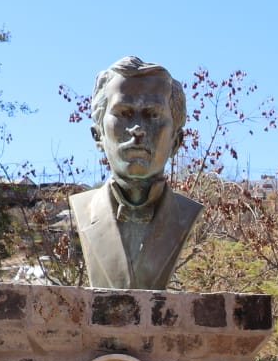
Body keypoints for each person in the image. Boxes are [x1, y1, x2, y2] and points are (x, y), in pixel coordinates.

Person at [68, 57, 203, 290]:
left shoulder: (185, 215)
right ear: (98, 135)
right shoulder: (83, 209)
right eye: (124, 113)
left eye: (152, 114)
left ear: (176, 141)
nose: (138, 129)